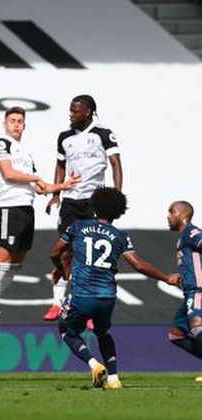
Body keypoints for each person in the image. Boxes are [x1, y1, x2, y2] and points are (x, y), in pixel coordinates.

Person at [49, 187, 179, 389]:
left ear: (93, 205)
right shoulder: (119, 235)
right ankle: (113, 378)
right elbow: (139, 264)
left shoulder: (78, 227)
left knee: (67, 329)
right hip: (107, 297)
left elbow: (55, 253)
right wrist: (166, 277)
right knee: (102, 333)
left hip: (82, 295)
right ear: (118, 211)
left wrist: (60, 269)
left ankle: (94, 364)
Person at [0, 107, 79, 343]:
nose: (16, 124)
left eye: (20, 121)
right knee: (1, 263)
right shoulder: (2, 144)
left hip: (26, 209)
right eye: (12, 121)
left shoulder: (25, 152)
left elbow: (41, 188)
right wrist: (35, 178)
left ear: (24, 125)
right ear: (4, 124)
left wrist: (64, 185)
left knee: (15, 265)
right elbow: (9, 174)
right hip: (9, 208)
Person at [44, 94, 123, 322]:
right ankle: (57, 302)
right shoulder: (65, 137)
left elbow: (116, 163)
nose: (71, 114)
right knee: (63, 251)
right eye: (70, 110)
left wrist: (116, 194)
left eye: (75, 111)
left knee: (91, 255)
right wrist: (55, 195)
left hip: (94, 201)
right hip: (71, 201)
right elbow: (60, 166)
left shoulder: (102, 134)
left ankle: (88, 307)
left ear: (86, 112)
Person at [165, 200, 202, 382]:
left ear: (184, 215)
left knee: (197, 328)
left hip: (198, 290)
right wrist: (180, 279)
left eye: (172, 212)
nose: (168, 216)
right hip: (189, 292)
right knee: (176, 334)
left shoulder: (191, 231)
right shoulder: (182, 238)